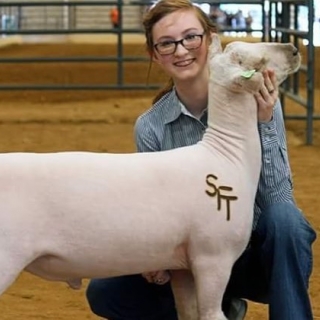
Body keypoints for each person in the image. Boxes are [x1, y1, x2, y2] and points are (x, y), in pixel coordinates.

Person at [86, 0, 317, 319]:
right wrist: (154, 260)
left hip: (249, 255)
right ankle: (217, 306)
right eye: (167, 43)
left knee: (286, 223)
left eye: (191, 37)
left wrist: (264, 123)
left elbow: (278, 198)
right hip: (189, 258)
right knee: (106, 293)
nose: (181, 51)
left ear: (211, 40)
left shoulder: (256, 99)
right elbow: (159, 214)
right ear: (155, 54)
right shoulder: (151, 126)